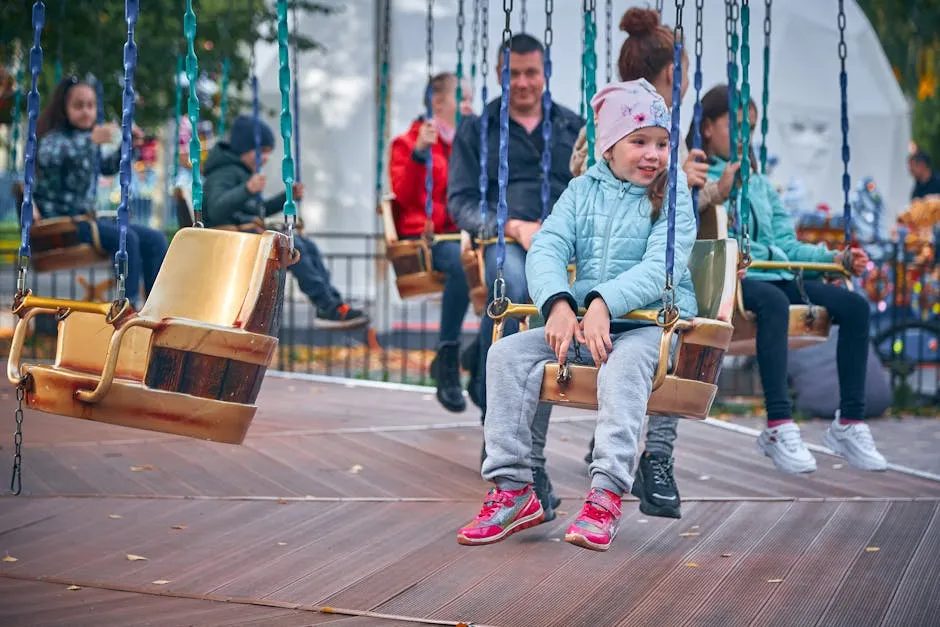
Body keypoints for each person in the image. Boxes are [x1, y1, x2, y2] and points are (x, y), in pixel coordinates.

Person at [457, 79, 697, 552]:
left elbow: (661, 266)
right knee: (505, 354)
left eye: (663, 143)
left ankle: (606, 494)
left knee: (625, 367)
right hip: (588, 322)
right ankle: (513, 488)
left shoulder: (673, 192)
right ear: (609, 146)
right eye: (640, 141)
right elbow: (547, 246)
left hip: (653, 326)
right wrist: (560, 304)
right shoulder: (581, 190)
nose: (654, 154)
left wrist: (603, 303)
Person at [569, 7, 742, 520]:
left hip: (665, 255)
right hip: (617, 259)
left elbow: (680, 204)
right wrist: (685, 179)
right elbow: (585, 171)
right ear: (667, 74)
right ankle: (621, 449)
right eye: (681, 72)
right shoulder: (613, 119)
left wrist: (702, 188)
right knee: (622, 346)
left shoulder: (677, 127)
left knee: (677, 334)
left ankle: (658, 456)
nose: (686, 82)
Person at [696, 84, 887, 474]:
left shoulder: (760, 184)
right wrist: (717, 193)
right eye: (734, 125)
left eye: (749, 127)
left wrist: (835, 258)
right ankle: (779, 424)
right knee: (773, 302)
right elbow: (685, 230)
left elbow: (786, 243)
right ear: (707, 128)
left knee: (854, 306)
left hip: (774, 273)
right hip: (730, 282)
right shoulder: (694, 177)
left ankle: (849, 422)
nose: (743, 136)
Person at [447, 33, 584, 522]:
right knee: (520, 295)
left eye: (531, 72)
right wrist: (513, 226)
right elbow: (459, 201)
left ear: (545, 71)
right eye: (513, 74)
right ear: (499, 73)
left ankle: (485, 380)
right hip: (507, 240)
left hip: (566, 241)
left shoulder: (573, 125)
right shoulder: (476, 129)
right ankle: (521, 453)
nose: (523, 83)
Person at [202, 114, 368, 329]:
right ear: (246, 148)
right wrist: (247, 190)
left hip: (244, 236)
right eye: (261, 153)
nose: (265, 159)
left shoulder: (240, 172)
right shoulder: (223, 173)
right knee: (292, 245)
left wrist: (286, 197)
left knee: (306, 246)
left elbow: (256, 210)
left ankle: (332, 304)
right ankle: (327, 306)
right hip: (229, 241)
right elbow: (216, 210)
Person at [33, 76, 168, 308]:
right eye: (78, 106)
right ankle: (128, 305)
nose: (86, 111)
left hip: (85, 222)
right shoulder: (53, 139)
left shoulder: (87, 140)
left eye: (90, 105)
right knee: (128, 239)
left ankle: (155, 307)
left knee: (155, 239)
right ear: (64, 109)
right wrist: (91, 141)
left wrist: (127, 147)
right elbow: (50, 156)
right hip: (63, 224)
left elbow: (106, 168)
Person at [389, 72, 474, 412]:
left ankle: (479, 356)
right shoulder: (409, 143)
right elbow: (406, 197)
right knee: (461, 264)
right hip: (426, 237)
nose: (469, 105)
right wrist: (419, 155)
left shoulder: (464, 146)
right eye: (462, 98)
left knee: (500, 265)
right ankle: (448, 353)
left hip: (457, 234)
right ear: (438, 103)